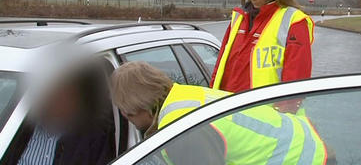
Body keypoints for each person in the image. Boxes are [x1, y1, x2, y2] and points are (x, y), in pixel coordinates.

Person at [111, 61, 327, 165]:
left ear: (142, 107)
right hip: (307, 141)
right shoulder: (184, 94)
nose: (125, 118)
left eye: (128, 114)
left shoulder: (179, 130)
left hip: (301, 160)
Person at [210, 0, 314, 114]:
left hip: (267, 125)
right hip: (227, 118)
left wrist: (281, 125)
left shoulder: (294, 22)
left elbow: (296, 85)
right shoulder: (238, 19)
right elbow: (219, 70)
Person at [1, 67, 115, 165]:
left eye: (64, 96)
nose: (54, 101)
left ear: (78, 101)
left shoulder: (92, 138)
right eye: (50, 94)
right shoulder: (18, 126)